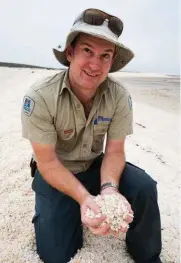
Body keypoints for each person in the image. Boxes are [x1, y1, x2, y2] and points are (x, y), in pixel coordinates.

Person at [21, 8, 162, 263]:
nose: (95, 65)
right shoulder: (40, 96)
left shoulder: (119, 96)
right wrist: (84, 198)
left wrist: (109, 189)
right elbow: (48, 162)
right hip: (57, 170)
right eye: (87, 50)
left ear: (112, 61)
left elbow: (115, 152)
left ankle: (148, 256)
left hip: (95, 166)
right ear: (70, 52)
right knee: (56, 254)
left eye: (105, 55)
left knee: (144, 187)